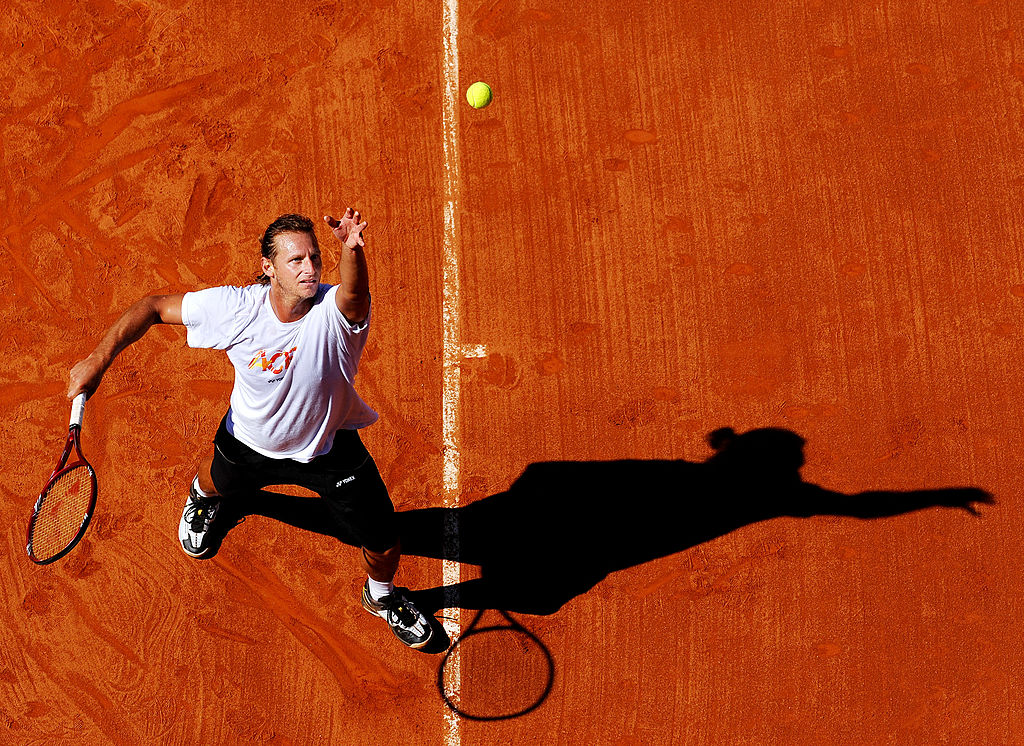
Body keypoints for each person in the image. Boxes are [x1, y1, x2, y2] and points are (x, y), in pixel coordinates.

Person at [67, 209, 432, 650]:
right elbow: (152, 306)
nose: (310, 269)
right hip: (249, 442)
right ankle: (201, 500)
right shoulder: (238, 308)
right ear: (269, 268)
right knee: (213, 481)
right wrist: (97, 360)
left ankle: (381, 596)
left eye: (315, 258)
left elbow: (355, 292)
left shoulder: (335, 315)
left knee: (385, 540)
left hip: (328, 449)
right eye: (295, 260)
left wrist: (351, 249)